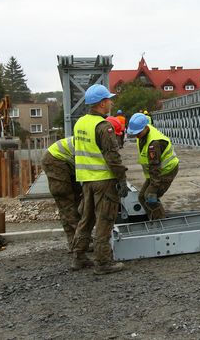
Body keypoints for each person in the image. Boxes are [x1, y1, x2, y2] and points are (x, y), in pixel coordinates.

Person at [71, 84, 128, 275]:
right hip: (103, 180)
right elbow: (112, 156)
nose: (111, 102)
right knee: (105, 219)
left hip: (86, 179)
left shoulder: (80, 123)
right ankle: (103, 262)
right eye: (109, 99)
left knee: (86, 219)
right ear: (103, 103)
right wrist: (121, 178)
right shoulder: (103, 127)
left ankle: (78, 256)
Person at [127, 112, 179, 220]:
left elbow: (155, 167)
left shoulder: (154, 143)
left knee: (150, 197)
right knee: (142, 197)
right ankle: (153, 218)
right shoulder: (143, 132)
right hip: (155, 172)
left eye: (138, 133)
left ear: (145, 128)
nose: (136, 135)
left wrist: (154, 187)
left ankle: (160, 222)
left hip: (166, 170)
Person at [41, 136, 82, 251]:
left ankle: (75, 242)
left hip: (65, 162)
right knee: (66, 201)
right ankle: (80, 242)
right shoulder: (92, 142)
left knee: (75, 199)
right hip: (55, 159)